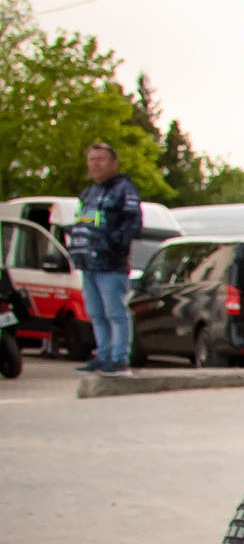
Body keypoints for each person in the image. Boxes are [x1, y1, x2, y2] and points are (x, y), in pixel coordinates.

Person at [67, 142, 141, 374]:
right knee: (96, 314)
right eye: (91, 159)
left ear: (113, 163)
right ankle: (102, 355)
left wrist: (113, 245)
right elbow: (82, 223)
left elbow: (133, 224)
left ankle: (119, 358)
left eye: (100, 159)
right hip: (88, 264)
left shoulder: (124, 189)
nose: (95, 164)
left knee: (115, 312)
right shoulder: (88, 193)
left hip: (111, 265)